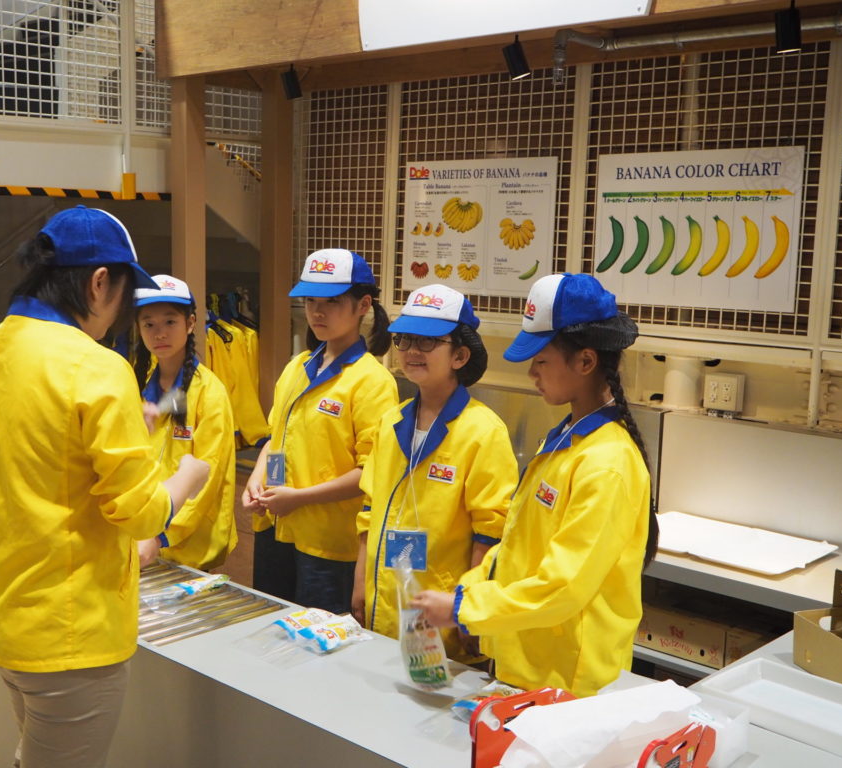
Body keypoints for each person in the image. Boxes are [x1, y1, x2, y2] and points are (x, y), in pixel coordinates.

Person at [0, 206, 210, 768]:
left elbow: (34, 460)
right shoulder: (95, 367)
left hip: (4, 613)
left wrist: (120, 430)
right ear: (98, 282)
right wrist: (187, 478)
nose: (121, 317)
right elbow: (140, 515)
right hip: (71, 632)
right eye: (123, 298)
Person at [410, 273, 657, 698]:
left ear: (585, 361)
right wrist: (467, 589)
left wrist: (463, 610)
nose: (531, 374)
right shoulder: (562, 439)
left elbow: (563, 586)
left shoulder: (606, 464)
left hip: (569, 680)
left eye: (541, 362)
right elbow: (517, 543)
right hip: (527, 661)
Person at [352, 285, 517, 663]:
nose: (411, 350)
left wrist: (469, 610)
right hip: (385, 602)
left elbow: (490, 532)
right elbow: (370, 507)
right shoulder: (392, 420)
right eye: (405, 339)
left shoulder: (483, 431)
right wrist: (360, 581)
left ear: (460, 355)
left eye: (427, 342)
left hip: (442, 610)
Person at [242, 248, 398, 614]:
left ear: (363, 305)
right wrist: (258, 475)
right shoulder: (297, 366)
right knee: (270, 630)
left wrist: (299, 497)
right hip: (276, 527)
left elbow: (370, 474)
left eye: (331, 302)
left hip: (329, 544)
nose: (317, 312)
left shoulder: (373, 381)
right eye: (311, 300)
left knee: (319, 646)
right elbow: (274, 437)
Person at [131, 274, 238, 571]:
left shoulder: (209, 392)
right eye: (148, 324)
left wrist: (162, 534)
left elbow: (208, 474)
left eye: (170, 322)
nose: (159, 333)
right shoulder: (137, 387)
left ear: (191, 323)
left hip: (189, 545)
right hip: (141, 537)